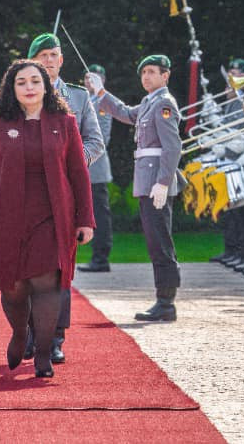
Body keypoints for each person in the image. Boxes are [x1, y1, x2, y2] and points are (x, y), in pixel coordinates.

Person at [0, 59, 94, 378]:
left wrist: (85, 219)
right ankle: (21, 333)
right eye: (21, 82)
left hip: (53, 216)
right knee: (14, 286)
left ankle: (43, 353)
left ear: (46, 86)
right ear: (12, 88)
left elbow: (78, 173)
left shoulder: (64, 122)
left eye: (35, 81)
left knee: (48, 281)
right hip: (8, 216)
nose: (29, 88)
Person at [24, 33, 104, 363]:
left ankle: (56, 336)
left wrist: (68, 164)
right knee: (26, 267)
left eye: (54, 55)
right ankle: (30, 332)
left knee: (60, 268)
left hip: (64, 195)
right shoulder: (20, 96)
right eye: (43, 55)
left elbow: (95, 142)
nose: (50, 60)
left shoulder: (80, 98)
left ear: (61, 60)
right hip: (27, 195)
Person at [92, 54, 184, 322]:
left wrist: (164, 182)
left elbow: (172, 146)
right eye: (143, 72)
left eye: (152, 72)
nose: (146, 77)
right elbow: (124, 113)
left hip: (156, 180)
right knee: (155, 241)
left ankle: (166, 302)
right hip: (148, 180)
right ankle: (163, 300)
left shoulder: (164, 103)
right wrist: (101, 92)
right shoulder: (148, 102)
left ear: (165, 76)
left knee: (161, 242)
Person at [80, 63, 116, 272]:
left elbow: (102, 137)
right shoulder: (89, 101)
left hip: (96, 167)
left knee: (99, 214)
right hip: (85, 167)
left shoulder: (103, 102)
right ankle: (97, 256)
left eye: (93, 78)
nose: (89, 82)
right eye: (86, 78)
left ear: (102, 80)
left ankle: (101, 258)